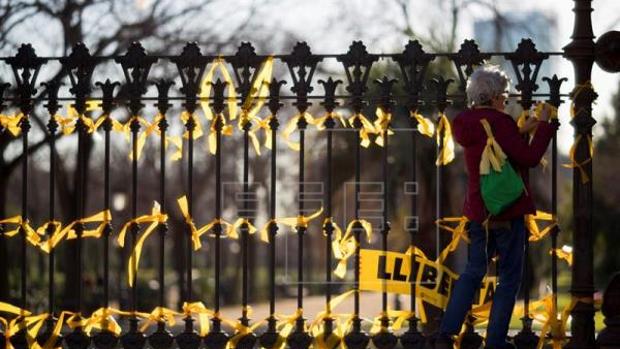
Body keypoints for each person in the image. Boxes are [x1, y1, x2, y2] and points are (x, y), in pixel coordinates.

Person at [434, 65, 557, 349]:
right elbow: (528, 157)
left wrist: (521, 129)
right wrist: (546, 124)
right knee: (509, 278)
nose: (507, 100)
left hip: (479, 212)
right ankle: (496, 341)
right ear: (494, 95)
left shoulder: (465, 124)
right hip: (509, 211)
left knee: (474, 271)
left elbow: (497, 150)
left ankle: (446, 333)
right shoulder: (500, 123)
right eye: (505, 95)